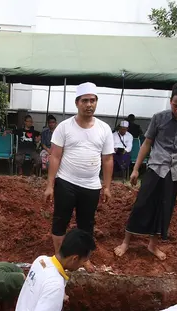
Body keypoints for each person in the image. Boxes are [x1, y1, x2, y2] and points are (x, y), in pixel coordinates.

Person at [114, 82, 177, 261]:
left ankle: (153, 245)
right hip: (156, 168)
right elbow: (147, 143)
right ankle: (126, 242)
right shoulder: (159, 118)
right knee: (141, 204)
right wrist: (136, 169)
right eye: (175, 105)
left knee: (165, 207)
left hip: (176, 171)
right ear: (170, 101)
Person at [44, 82, 114, 265]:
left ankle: (83, 259)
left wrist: (107, 187)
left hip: (91, 186)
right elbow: (55, 157)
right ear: (77, 103)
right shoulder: (64, 127)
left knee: (86, 224)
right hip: (66, 182)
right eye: (85, 100)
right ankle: (59, 256)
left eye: (92, 100)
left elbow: (107, 160)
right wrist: (50, 185)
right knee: (60, 220)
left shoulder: (104, 129)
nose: (89, 104)